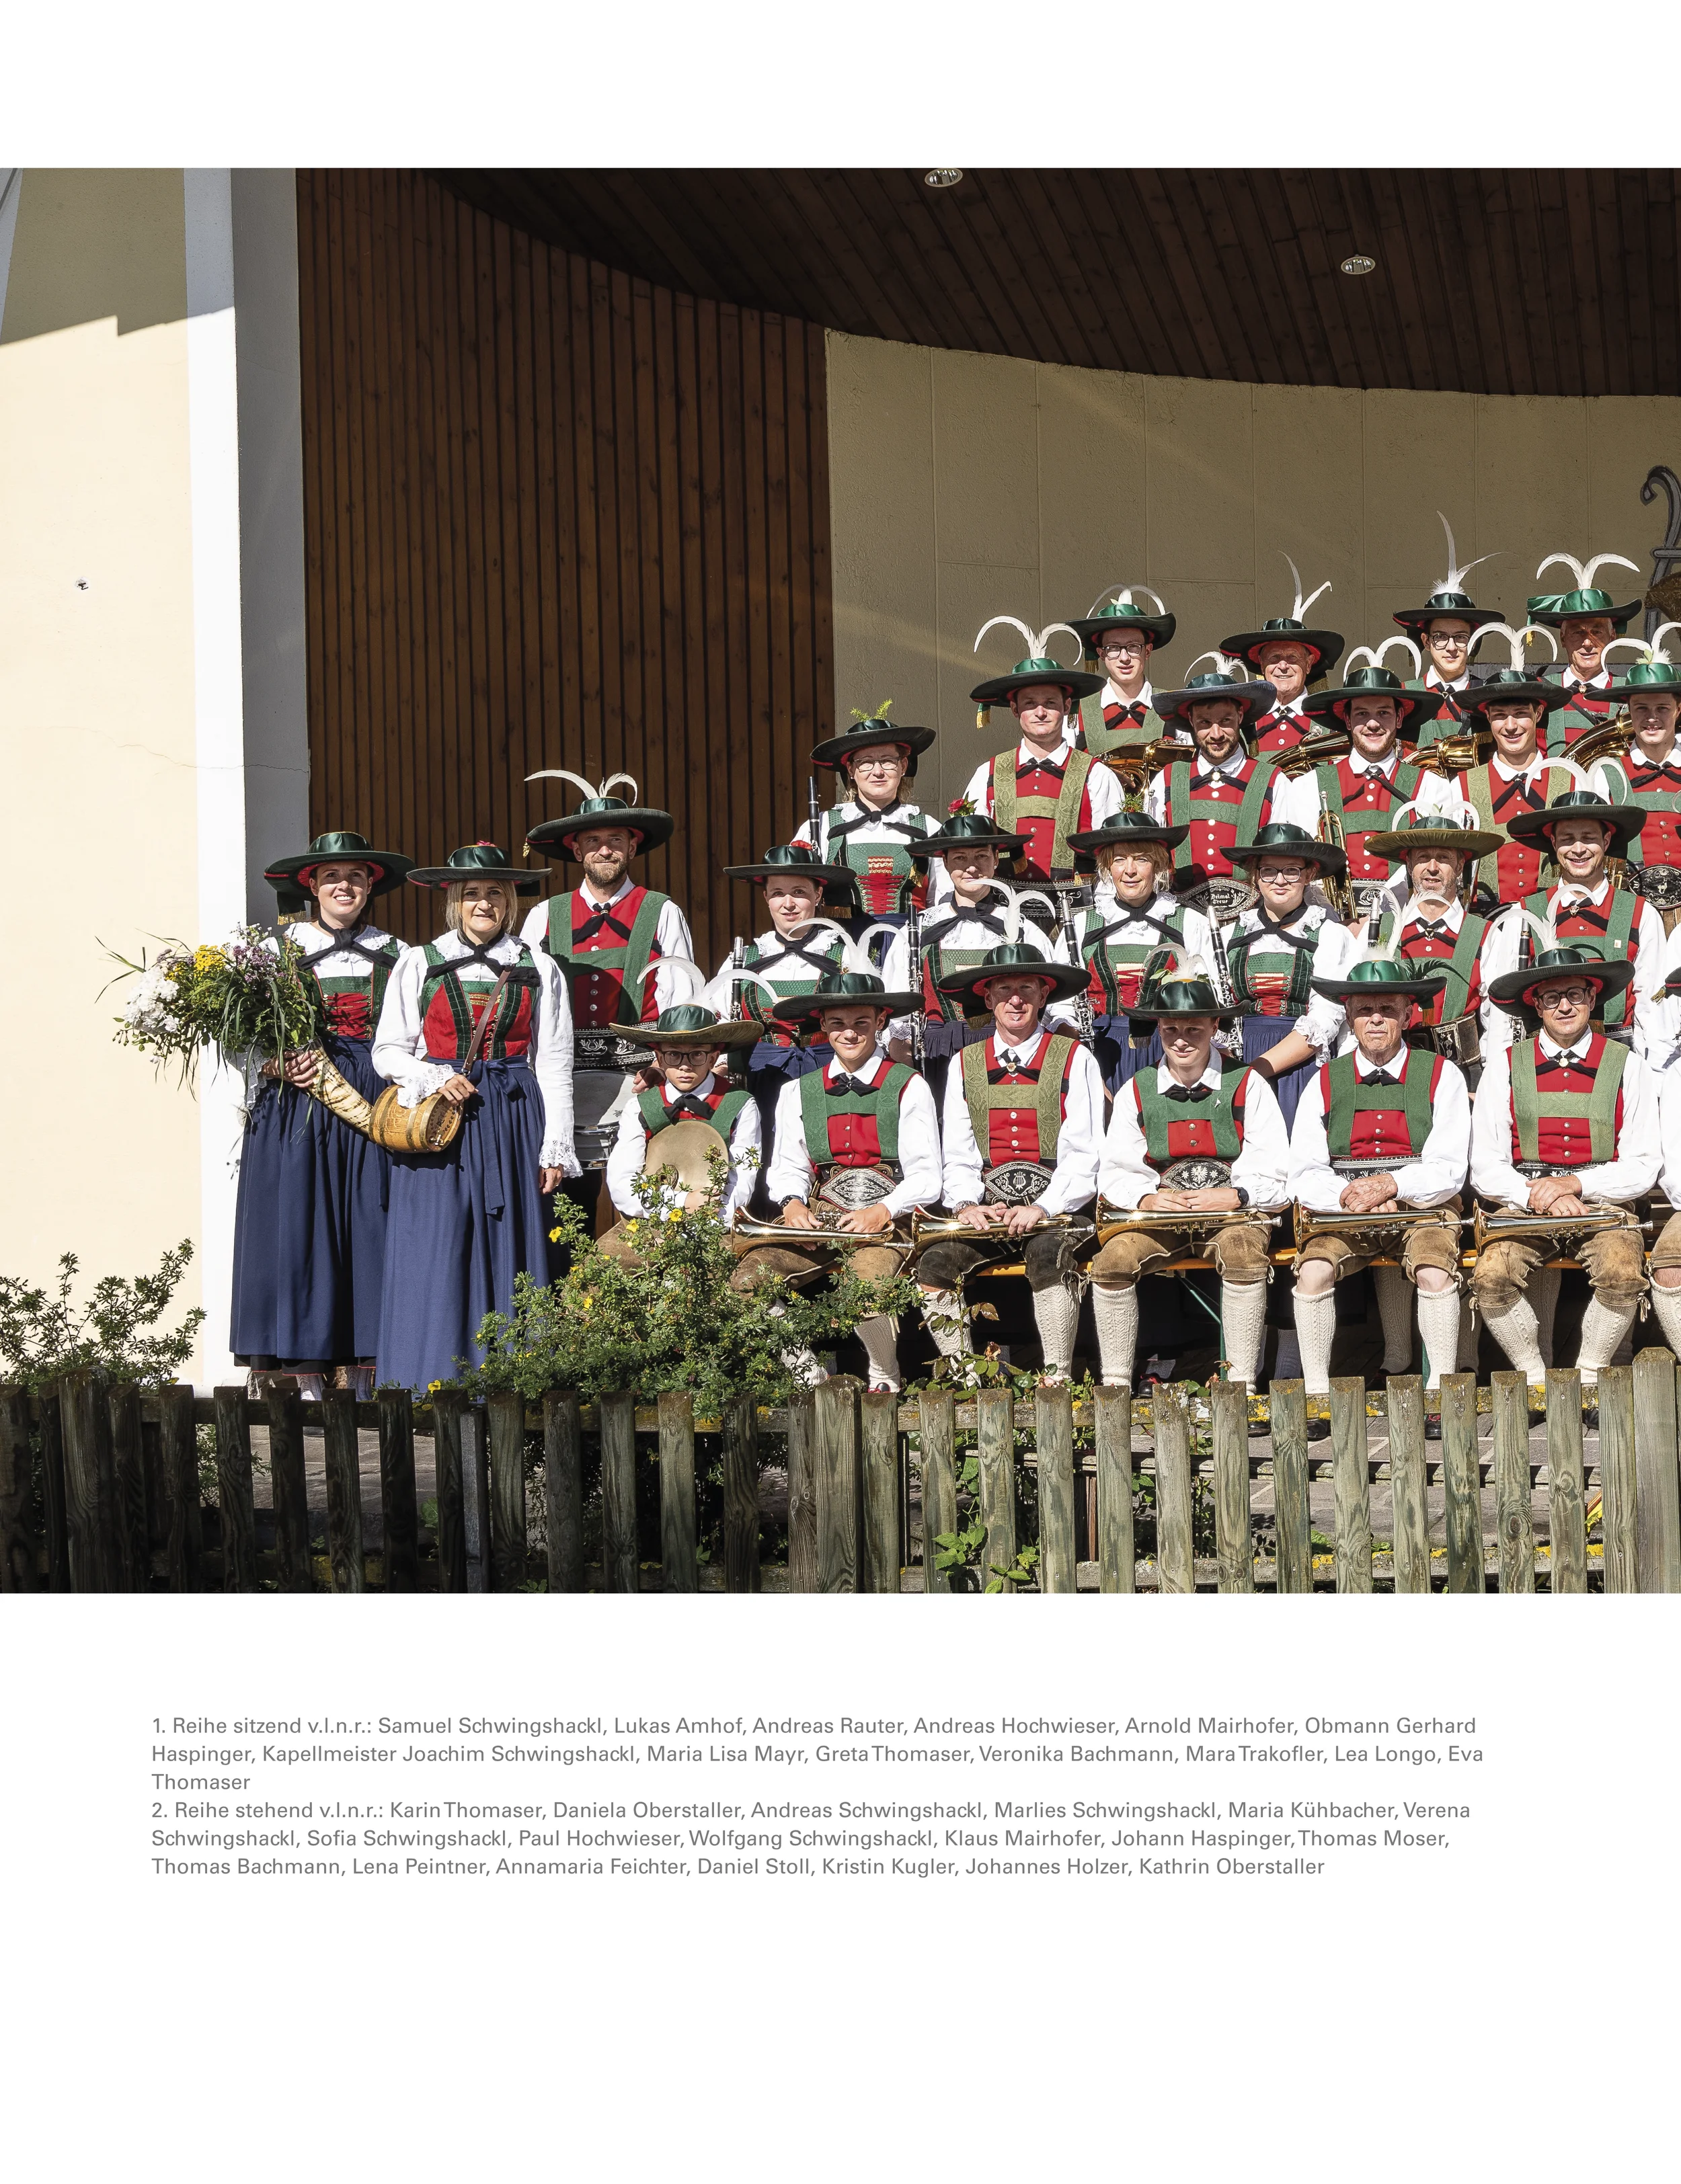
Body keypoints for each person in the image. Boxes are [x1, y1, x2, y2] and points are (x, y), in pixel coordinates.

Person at [373, 843, 578, 1392]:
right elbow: (387, 1051)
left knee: (512, 1244)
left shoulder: (540, 967)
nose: (482, 903)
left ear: (509, 901)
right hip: (439, 1123)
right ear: (453, 901)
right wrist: (435, 1077)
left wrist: (554, 1145)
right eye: (471, 893)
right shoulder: (419, 961)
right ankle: (431, 1377)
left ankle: (513, 1379)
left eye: (493, 892)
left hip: (512, 1118)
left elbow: (554, 1060)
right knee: (435, 1243)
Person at [232, 830, 415, 1400]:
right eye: (332, 877)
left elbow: (414, 1031)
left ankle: (369, 1371)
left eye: (356, 877)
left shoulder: (399, 954)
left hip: (369, 1099)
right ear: (311, 885)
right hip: (296, 1101)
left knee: (372, 1223)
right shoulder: (271, 953)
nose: (345, 886)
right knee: (299, 1225)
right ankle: (303, 1370)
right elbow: (235, 1034)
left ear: (371, 886)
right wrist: (272, 1062)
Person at [732, 970, 939, 1395]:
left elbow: (927, 1174)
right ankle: (807, 1372)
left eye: (861, 1022)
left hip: (889, 1220)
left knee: (866, 1287)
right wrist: (792, 1204)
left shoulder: (910, 1085)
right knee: (746, 1281)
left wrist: (883, 1210)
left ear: (880, 1021)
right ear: (823, 1026)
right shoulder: (796, 1092)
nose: (850, 1033)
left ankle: (885, 1376)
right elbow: (789, 1164)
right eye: (838, 1023)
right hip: (821, 1218)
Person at [1087, 964, 1288, 1395]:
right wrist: (1145, 1199)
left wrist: (1238, 1194)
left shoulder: (1248, 1083)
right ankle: (1115, 1386)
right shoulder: (1135, 1090)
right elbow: (1114, 1171)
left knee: (1242, 1253)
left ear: (1215, 1026)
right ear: (1158, 1028)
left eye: (1194, 1029)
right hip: (1161, 1218)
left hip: (1235, 1215)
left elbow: (1278, 1167)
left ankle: (1241, 1386)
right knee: (1111, 1262)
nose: (1181, 1039)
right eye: (1170, 1028)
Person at [1469, 944, 1657, 1400]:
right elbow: (1485, 1164)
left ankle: (1589, 1375)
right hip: (1527, 1202)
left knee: (1623, 1273)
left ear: (1593, 999)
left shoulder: (1629, 1066)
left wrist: (1576, 1184)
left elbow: (1644, 1163)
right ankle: (1536, 1378)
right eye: (1552, 997)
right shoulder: (1504, 1067)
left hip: (1603, 1203)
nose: (1566, 1006)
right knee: (1490, 1278)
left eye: (1575, 993)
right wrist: (1541, 1193)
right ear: (1535, 1004)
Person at [914, 942, 1105, 1383]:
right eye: (1004, 989)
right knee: (935, 1264)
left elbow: (1086, 1152)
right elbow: (959, 1152)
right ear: (988, 998)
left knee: (1047, 1253)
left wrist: (1043, 1207)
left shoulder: (1075, 1058)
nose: (1015, 999)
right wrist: (966, 1205)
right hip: (992, 1213)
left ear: (1043, 995)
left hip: (1058, 1212)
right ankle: (966, 1380)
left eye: (1025, 988)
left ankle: (1056, 1378)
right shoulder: (965, 1063)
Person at [1287, 959, 1470, 1416]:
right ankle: (1315, 1398)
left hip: (1423, 1207)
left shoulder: (1443, 1074)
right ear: (1348, 1015)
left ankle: (1438, 1395)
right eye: (1364, 1008)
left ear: (1408, 1014)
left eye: (1387, 1008)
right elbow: (1303, 1171)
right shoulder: (1323, 1081)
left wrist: (1392, 1185)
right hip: (1344, 1210)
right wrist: (1348, 1199)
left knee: (1434, 1271)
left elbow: (1450, 1169)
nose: (1374, 1019)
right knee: (1311, 1274)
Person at [522, 775, 693, 1223]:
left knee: (642, 1208)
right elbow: (521, 1006)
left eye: (615, 839)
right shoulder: (543, 915)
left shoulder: (663, 911)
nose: (604, 850)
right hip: (561, 1088)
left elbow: (685, 1002)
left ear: (633, 847)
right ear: (576, 851)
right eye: (593, 840)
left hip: (641, 1082)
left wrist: (662, 1064)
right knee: (562, 1215)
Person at [1483, 788, 1664, 1057]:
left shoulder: (1641, 913)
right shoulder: (1524, 914)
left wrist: (1653, 1076)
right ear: (1554, 843)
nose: (1578, 849)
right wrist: (1500, 1068)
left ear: (1606, 840)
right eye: (1568, 839)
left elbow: (1652, 1007)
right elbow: (1502, 1017)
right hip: (1540, 1062)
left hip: (1619, 1060)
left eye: (1588, 838)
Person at [707, 842, 853, 1155]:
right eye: (778, 893)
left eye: (799, 892)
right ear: (766, 898)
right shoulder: (743, 959)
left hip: (830, 1073)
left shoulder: (845, 956)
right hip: (761, 1076)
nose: (788, 904)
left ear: (818, 895)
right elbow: (714, 1020)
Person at [878, 812, 1032, 1102]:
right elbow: (895, 1016)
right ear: (945, 862)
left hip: (1009, 1055)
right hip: (936, 1057)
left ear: (996, 860)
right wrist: (908, 1076)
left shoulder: (1023, 928)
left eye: (981, 857)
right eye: (960, 858)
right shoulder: (916, 930)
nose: (972, 868)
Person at [1058, 811, 1212, 1091]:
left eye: (1141, 859)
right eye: (1119, 860)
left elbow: (1209, 999)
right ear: (1107, 867)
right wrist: (1083, 1065)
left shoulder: (1191, 922)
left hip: (1172, 1053)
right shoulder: (1080, 926)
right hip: (1097, 1054)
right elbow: (1060, 1006)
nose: (1130, 871)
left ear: (1158, 866)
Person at [600, 1003, 764, 1256]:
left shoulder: (741, 1104)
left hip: (716, 1223)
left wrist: (706, 1219)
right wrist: (678, 1205)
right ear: (660, 1057)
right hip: (650, 1223)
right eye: (674, 1055)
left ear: (713, 1056)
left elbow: (742, 1179)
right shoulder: (639, 1108)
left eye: (697, 1054)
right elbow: (623, 1182)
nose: (685, 1066)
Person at [964, 616, 1120, 882]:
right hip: (1004, 912)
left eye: (1049, 702)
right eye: (1029, 704)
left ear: (1066, 706)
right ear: (1015, 710)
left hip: (1078, 912)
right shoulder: (987, 774)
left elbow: (1115, 854)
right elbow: (968, 851)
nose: (1040, 712)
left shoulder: (1097, 775)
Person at [1222, 823, 1356, 1129]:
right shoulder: (1229, 934)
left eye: (1292, 871)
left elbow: (1326, 1018)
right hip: (1235, 1061)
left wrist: (1255, 1071)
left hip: (1299, 1064)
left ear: (1309, 875)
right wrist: (1227, 1065)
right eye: (1269, 871)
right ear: (1255, 876)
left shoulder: (1331, 935)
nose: (1279, 881)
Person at [1358, 808, 1506, 1079]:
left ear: (1461, 865)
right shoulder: (1379, 929)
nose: (1433, 868)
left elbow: (1497, 1019)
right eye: (1423, 858)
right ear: (1408, 864)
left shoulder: (1488, 935)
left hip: (1464, 1072)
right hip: (1391, 1070)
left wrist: (1490, 1080)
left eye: (1444, 858)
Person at [1296, 657, 1450, 905]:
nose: (1373, 723)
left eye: (1383, 713)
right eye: (1361, 714)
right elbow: (1299, 866)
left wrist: (1383, 916)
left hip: (1404, 922)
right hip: (1330, 925)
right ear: (1347, 721)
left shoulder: (1433, 787)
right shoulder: (1307, 786)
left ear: (1399, 718)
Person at [1144, 658, 1305, 887]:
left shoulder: (1275, 781)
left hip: (1252, 916)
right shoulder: (1165, 780)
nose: (1216, 733)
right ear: (1190, 720)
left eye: (1225, 721)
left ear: (1241, 715)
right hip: (1180, 915)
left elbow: (1285, 860)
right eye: (1205, 722)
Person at [1448, 630, 1577, 901]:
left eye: (1520, 715)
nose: (1510, 726)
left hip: (1554, 921)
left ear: (1539, 714)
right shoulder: (1460, 787)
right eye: (1500, 716)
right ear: (1487, 718)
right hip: (1485, 925)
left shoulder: (1571, 780)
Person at [793, 709, 939, 925]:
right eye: (866, 762)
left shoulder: (929, 827)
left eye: (888, 761)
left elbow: (943, 897)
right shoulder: (820, 827)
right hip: (841, 944)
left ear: (904, 766)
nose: (878, 771)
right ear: (851, 770)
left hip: (909, 946)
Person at [1391, 513, 1504, 751]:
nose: (1451, 647)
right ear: (1426, 640)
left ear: (1472, 643)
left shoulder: (1490, 696)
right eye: (1440, 637)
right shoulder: (1402, 695)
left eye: (1461, 637)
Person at [1220, 559, 1345, 755]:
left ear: (1309, 664)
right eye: (1274, 658)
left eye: (1293, 658)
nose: (1283, 666)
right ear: (1262, 666)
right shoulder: (1241, 725)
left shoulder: (1332, 721)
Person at [1600, 633, 1681, 926]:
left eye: (1662, 708)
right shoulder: (1605, 773)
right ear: (1628, 712)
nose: (1652, 718)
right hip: (1630, 914)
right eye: (1642, 709)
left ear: (1679, 709)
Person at [1527, 550, 1645, 752]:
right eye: (1577, 633)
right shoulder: (1539, 691)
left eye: (1597, 631)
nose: (1588, 643)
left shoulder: (1630, 693)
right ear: (1562, 638)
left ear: (1612, 637)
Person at [1066, 585, 1175, 760]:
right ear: (1101, 654)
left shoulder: (1171, 707)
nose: (1124, 658)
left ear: (1147, 651)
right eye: (1114, 648)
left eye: (1133, 647)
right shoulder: (1077, 712)